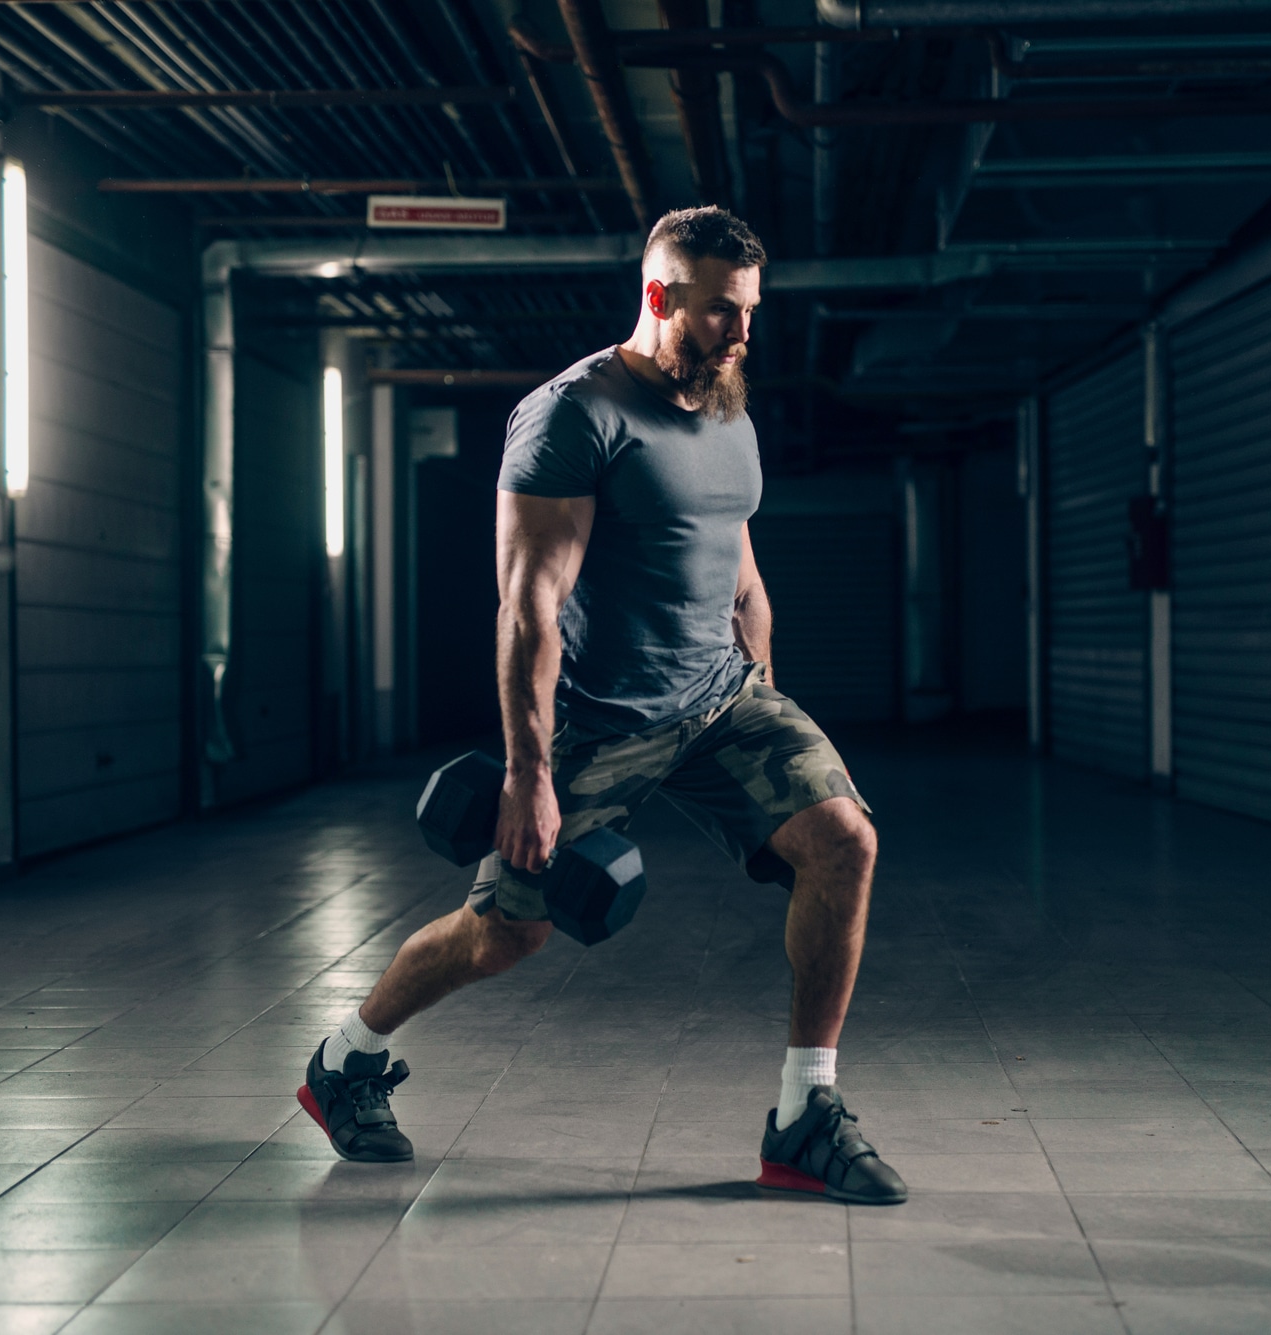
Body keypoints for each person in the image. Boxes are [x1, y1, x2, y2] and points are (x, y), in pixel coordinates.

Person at [297, 206, 905, 1205]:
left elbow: (738, 570)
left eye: (750, 312)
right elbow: (528, 605)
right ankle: (345, 1061)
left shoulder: (728, 411)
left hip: (721, 698)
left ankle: (803, 1116)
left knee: (844, 838)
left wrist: (764, 688)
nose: (742, 333)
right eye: (720, 312)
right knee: (506, 932)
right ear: (660, 297)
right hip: (599, 719)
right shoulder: (573, 415)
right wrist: (528, 776)